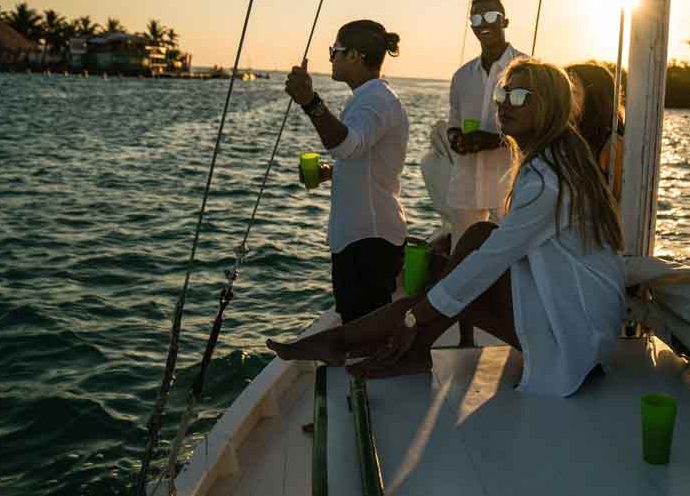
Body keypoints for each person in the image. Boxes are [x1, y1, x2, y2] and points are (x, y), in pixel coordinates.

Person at [268, 59, 626, 398]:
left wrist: (417, 316)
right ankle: (366, 343)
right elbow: (495, 250)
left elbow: (491, 262)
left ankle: (348, 341)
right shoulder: (559, 157)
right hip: (578, 317)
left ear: (548, 106)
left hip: (575, 339)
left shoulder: (546, 181)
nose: (504, 104)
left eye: (519, 97)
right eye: (502, 94)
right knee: (474, 239)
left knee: (468, 263)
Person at [285, 19, 409, 325]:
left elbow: (348, 146)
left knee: (365, 331)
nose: (331, 58)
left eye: (335, 51)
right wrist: (331, 172)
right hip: (365, 236)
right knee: (361, 324)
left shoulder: (376, 101)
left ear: (354, 55)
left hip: (368, 240)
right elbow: (360, 156)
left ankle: (368, 371)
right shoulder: (371, 98)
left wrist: (309, 101)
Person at [446, 0, 524, 239]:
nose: (484, 23)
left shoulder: (526, 69)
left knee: (511, 264)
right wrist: (456, 138)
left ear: (505, 21)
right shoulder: (462, 76)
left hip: (509, 188)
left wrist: (489, 140)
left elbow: (536, 129)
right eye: (477, 18)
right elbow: (453, 122)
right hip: (466, 185)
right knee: (461, 258)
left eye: (491, 16)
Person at [565, 63, 625, 202]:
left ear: (594, 97)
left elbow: (622, 207)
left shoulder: (613, 147)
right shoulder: (567, 140)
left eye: (572, 91)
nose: (564, 98)